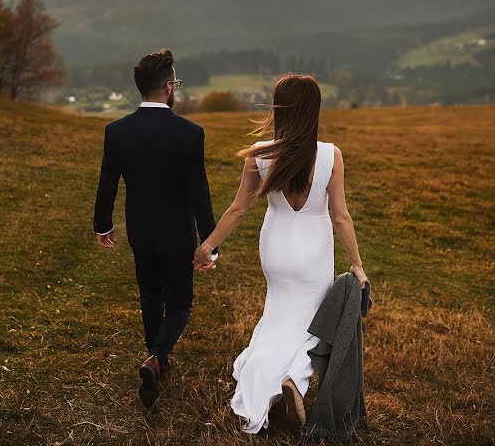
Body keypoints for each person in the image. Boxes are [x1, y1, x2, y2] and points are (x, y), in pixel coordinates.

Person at [192, 72, 369, 433]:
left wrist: (207, 246)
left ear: (279, 109)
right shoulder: (330, 155)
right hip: (315, 248)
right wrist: (357, 264)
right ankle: (294, 379)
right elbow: (341, 216)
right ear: (313, 110)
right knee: (315, 323)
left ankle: (265, 385)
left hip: (275, 245)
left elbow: (238, 210)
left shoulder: (260, 155)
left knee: (277, 316)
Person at [93, 49, 217, 408]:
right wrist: (210, 242)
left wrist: (103, 225)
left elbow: (107, 184)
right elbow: (199, 191)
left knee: (149, 294)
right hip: (177, 234)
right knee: (179, 300)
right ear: (167, 87)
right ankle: (157, 356)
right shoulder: (189, 133)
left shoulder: (116, 131)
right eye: (175, 82)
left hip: (140, 230)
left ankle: (155, 355)